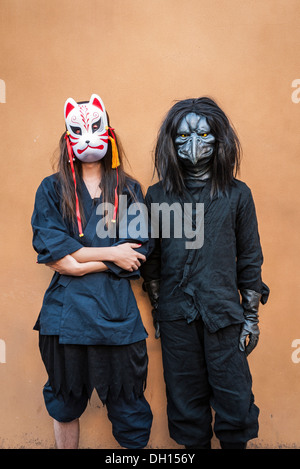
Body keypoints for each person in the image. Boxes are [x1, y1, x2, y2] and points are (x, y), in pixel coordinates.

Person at [140, 97, 269, 450]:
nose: (193, 144)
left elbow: (250, 258)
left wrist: (251, 317)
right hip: (177, 314)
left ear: (219, 139)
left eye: (202, 134)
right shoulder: (157, 196)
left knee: (235, 399)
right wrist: (159, 312)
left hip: (224, 313)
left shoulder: (237, 195)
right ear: (170, 142)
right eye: (182, 136)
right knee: (184, 400)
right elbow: (152, 264)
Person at [31, 93, 153, 449]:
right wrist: (113, 254)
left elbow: (138, 251)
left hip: (118, 316)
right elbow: (54, 251)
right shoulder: (51, 189)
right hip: (65, 317)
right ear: (67, 136)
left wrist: (79, 262)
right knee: (64, 402)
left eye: (94, 127)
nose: (87, 136)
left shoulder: (129, 189)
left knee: (130, 406)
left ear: (108, 131)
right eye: (78, 130)